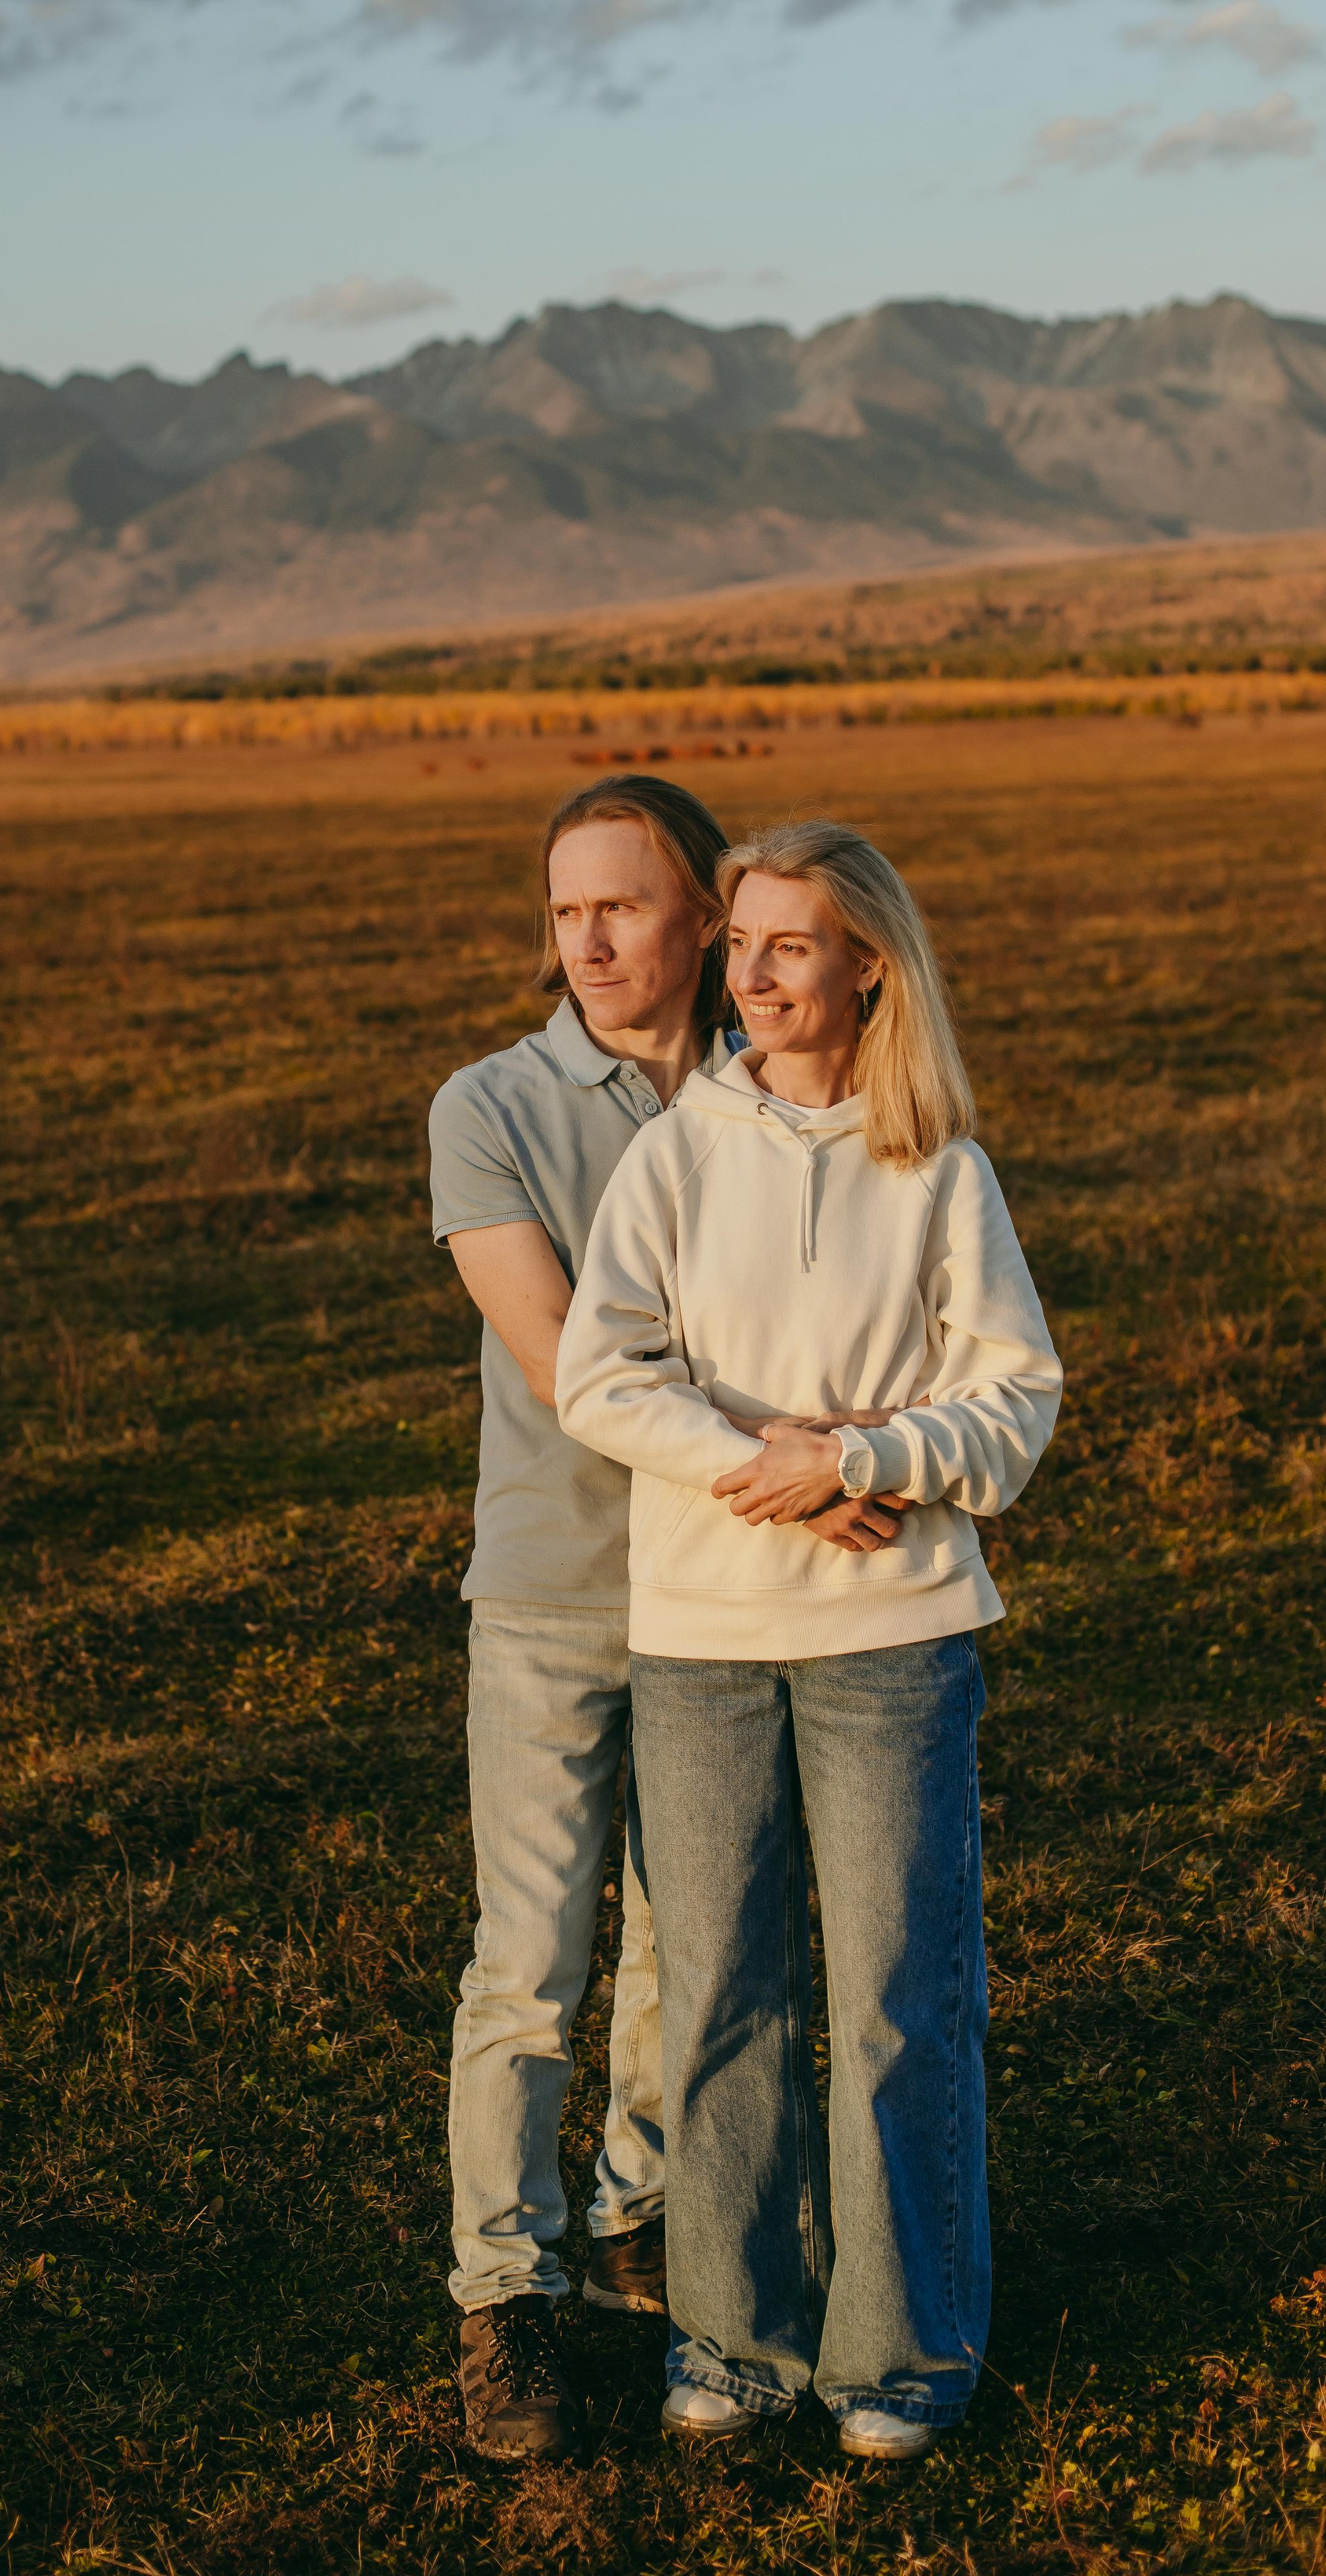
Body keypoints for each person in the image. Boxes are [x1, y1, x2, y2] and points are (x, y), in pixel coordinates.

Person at [554, 817, 1062, 2461]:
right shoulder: (674, 1154)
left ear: (864, 964)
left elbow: (1013, 1401)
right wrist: (761, 1471)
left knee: (901, 1997)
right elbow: (600, 1376)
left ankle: (901, 2357)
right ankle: (732, 2341)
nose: (754, 975)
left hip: (893, 1634)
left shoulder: (940, 1171)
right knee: (715, 1991)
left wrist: (861, 1461)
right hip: (702, 1634)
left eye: (791, 946)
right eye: (744, 943)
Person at [428, 776, 900, 2464]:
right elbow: (569, 1373)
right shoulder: (485, 1105)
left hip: (727, 1599)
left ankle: (641, 2217)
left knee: (692, 1944)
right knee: (531, 1960)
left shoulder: (772, 1088)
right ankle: (506, 2299)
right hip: (558, 1591)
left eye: (621, 909)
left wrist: (847, 1454)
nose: (588, 944)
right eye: (563, 915)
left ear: (706, 919)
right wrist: (800, 1467)